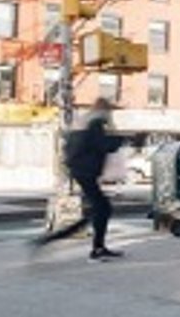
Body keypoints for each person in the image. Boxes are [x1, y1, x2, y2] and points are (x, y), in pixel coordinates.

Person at [33, 99, 125, 261]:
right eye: (110, 110)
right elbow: (102, 145)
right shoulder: (97, 123)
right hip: (86, 173)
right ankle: (94, 248)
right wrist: (122, 139)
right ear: (105, 110)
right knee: (102, 209)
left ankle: (97, 247)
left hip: (81, 172)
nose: (111, 113)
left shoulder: (84, 122)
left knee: (98, 210)